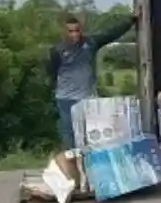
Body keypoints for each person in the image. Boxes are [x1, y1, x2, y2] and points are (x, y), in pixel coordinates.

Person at [48, 14, 137, 149]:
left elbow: (110, 34)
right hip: (66, 98)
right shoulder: (57, 50)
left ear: (81, 30)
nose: (75, 34)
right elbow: (52, 72)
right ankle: (73, 164)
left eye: (77, 30)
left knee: (89, 133)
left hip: (87, 98)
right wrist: (57, 87)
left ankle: (88, 163)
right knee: (69, 134)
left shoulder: (90, 43)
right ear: (65, 32)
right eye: (71, 31)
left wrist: (131, 21)